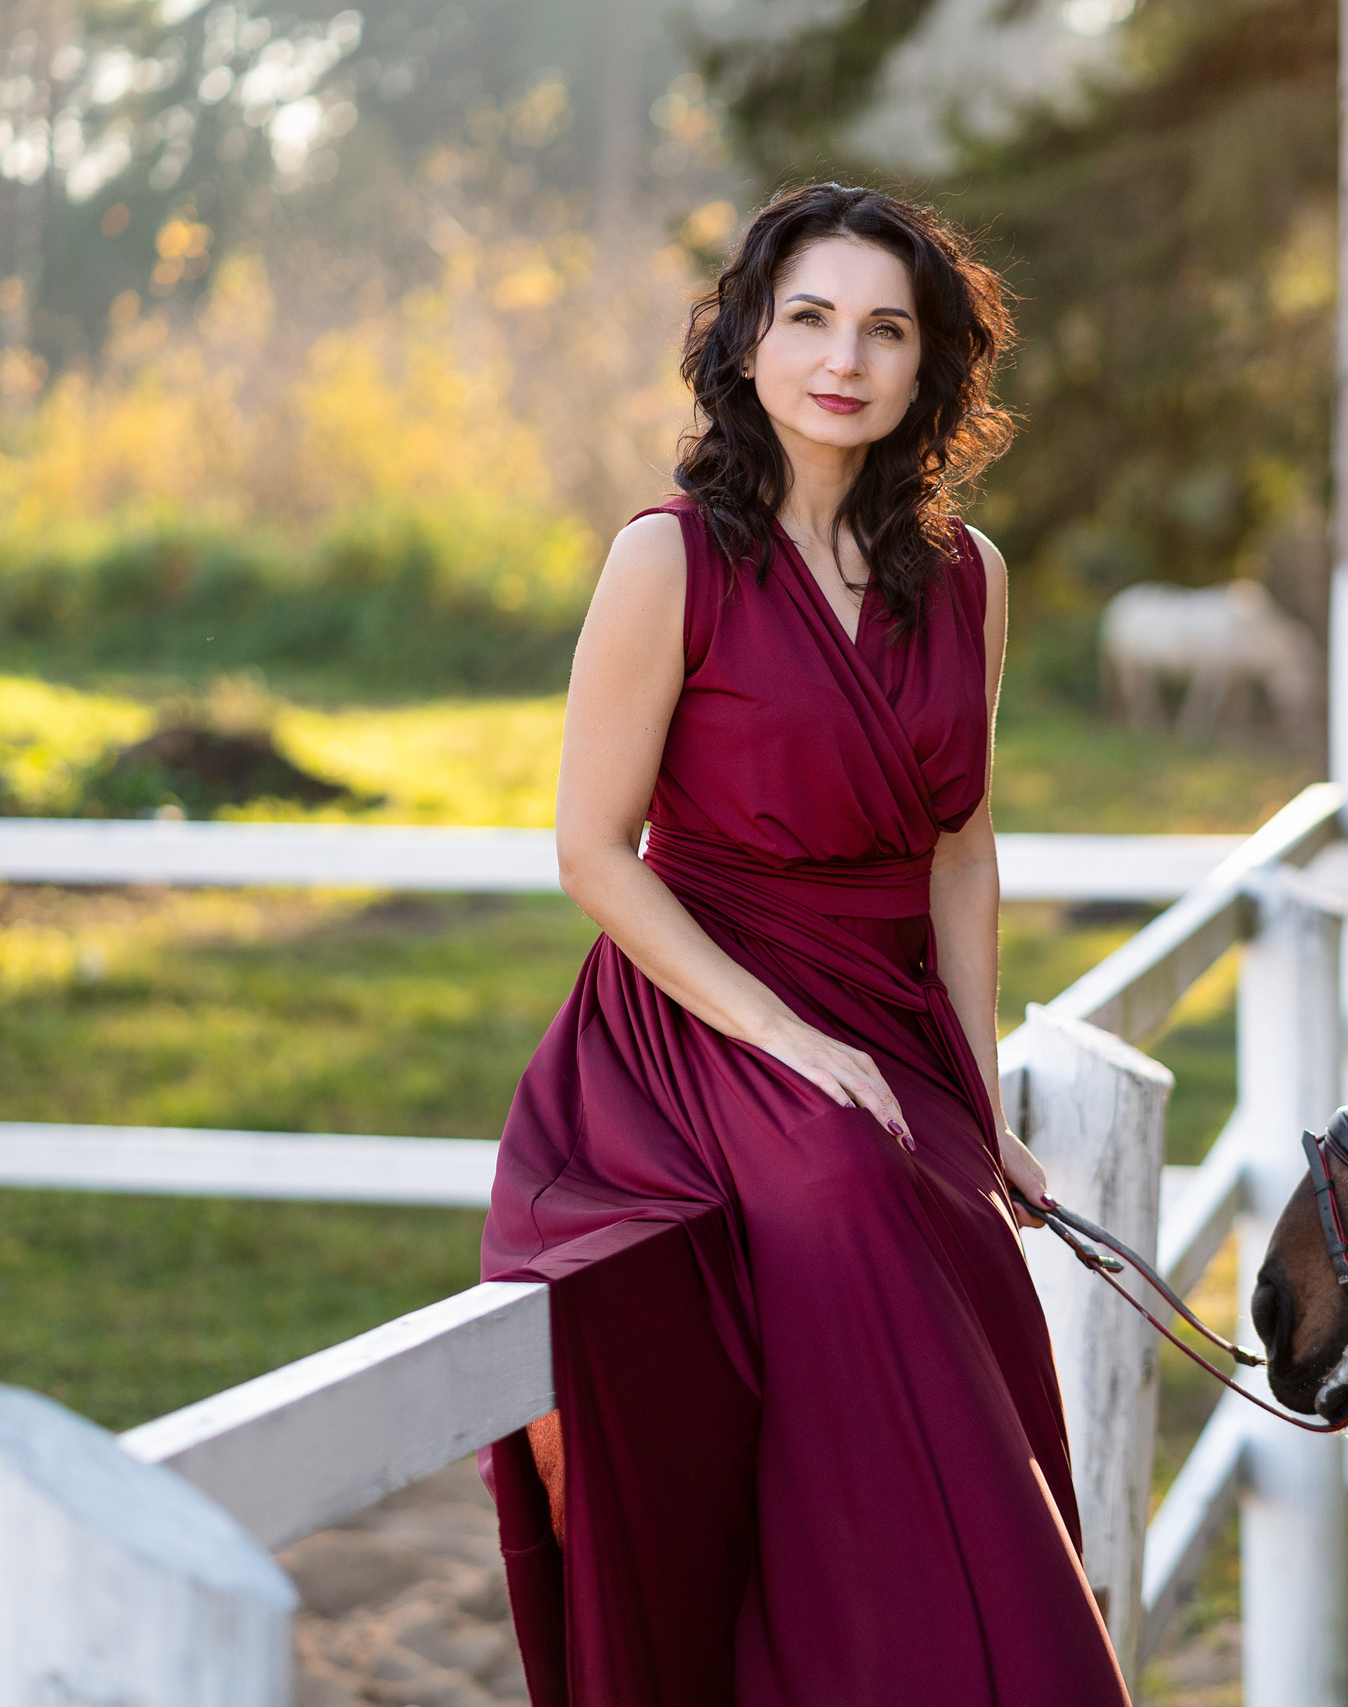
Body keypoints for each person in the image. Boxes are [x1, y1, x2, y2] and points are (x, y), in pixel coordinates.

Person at [478, 182, 1131, 1705]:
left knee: (953, 1227)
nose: (847, 357)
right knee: (841, 1192)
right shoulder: (670, 560)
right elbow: (591, 852)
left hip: (888, 1011)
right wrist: (788, 1041)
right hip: (702, 1016)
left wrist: (976, 1099)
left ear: (929, 366)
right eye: (812, 318)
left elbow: (959, 846)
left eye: (886, 329)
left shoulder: (969, 579)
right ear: (751, 342)